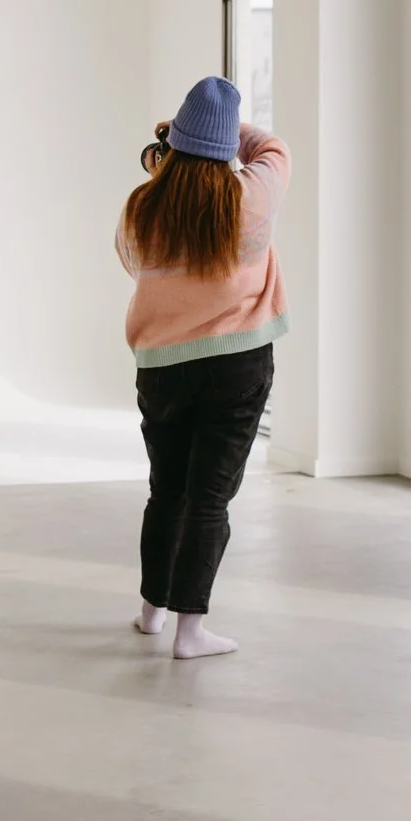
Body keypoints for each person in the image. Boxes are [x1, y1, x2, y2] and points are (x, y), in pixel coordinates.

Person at [117, 76, 288, 659]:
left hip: (162, 366)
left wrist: (175, 140)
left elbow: (129, 261)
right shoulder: (253, 197)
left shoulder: (143, 206)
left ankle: (151, 612)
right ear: (223, 146)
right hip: (238, 365)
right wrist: (221, 132)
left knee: (166, 492)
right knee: (209, 500)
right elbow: (271, 148)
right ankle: (192, 634)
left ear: (179, 140)